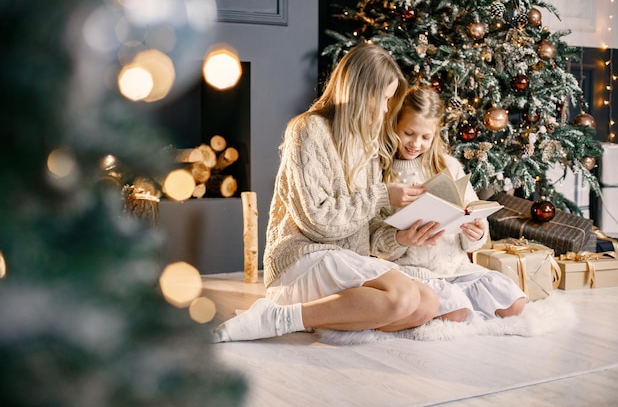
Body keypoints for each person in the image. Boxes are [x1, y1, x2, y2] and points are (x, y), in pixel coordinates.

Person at [213, 43, 443, 342]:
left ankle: (314, 315)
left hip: (344, 260)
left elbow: (369, 236)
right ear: (362, 93)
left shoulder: (369, 146)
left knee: (426, 304)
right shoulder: (308, 129)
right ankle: (280, 316)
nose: (387, 110)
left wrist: (401, 237)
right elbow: (317, 221)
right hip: (301, 258)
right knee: (402, 298)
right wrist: (382, 194)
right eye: (384, 99)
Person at [371, 86, 527, 322]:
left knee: (514, 304)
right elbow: (374, 242)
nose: (416, 144)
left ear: (436, 134)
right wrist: (401, 238)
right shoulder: (380, 171)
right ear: (393, 125)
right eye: (409, 133)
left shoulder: (448, 165)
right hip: (414, 272)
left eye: (426, 137)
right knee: (456, 312)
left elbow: (473, 212)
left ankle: (461, 301)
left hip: (457, 268)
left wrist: (476, 232)